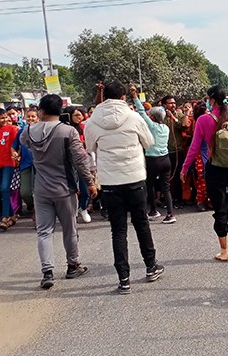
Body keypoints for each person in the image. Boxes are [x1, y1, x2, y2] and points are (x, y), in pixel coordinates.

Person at [86, 81, 165, 295]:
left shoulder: (93, 120)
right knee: (141, 224)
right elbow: (149, 142)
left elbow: (89, 147)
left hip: (110, 182)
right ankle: (151, 267)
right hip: (134, 178)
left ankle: (124, 279)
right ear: (123, 97)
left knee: (118, 230)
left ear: (105, 97)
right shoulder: (133, 117)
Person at [21, 94, 97, 290]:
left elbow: (22, 142)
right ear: (60, 111)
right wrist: (90, 182)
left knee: (44, 231)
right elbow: (80, 161)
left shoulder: (28, 130)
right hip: (65, 188)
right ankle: (73, 265)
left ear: (41, 110)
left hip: (41, 188)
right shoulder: (68, 131)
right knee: (70, 228)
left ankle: (47, 272)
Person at [181, 86, 228, 262]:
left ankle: (224, 251)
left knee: (220, 209)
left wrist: (184, 169)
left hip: (215, 168)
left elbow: (194, 147)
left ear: (211, 100)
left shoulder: (204, 120)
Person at [132, 87, 176, 224]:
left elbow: (140, 111)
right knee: (166, 187)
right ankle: (170, 213)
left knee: (149, 185)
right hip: (166, 159)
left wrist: (134, 95)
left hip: (153, 159)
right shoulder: (166, 128)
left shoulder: (152, 126)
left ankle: (153, 210)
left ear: (152, 117)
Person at [160, 95, 192, 209]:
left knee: (177, 176)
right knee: (166, 177)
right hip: (164, 151)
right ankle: (167, 199)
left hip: (177, 151)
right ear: (164, 105)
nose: (173, 105)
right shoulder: (161, 116)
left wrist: (174, 116)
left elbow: (184, 125)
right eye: (170, 103)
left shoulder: (179, 115)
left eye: (174, 103)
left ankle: (178, 199)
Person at [12, 109, 38, 222]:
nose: (31, 119)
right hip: (25, 164)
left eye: (33, 117)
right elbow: (14, 146)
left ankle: (38, 211)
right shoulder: (21, 131)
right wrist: (14, 153)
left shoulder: (42, 131)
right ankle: (33, 206)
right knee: (25, 192)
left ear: (38, 118)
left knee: (40, 191)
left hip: (40, 165)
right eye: (28, 117)